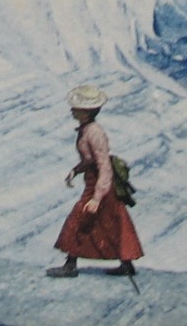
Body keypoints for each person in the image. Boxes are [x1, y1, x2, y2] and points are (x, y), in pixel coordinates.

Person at [46, 85, 143, 278]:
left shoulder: (94, 132)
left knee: (81, 218)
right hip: (95, 181)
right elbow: (90, 160)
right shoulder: (87, 130)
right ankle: (126, 264)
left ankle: (70, 265)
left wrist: (97, 197)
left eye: (76, 107)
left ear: (85, 111)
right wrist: (76, 170)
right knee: (112, 221)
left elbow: (104, 165)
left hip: (100, 184)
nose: (72, 110)